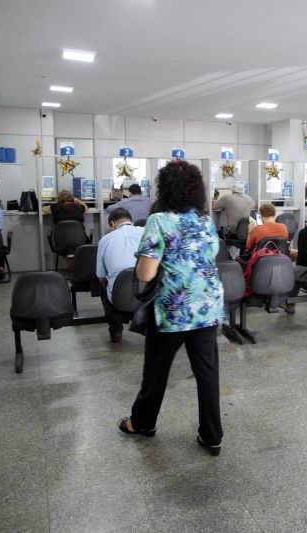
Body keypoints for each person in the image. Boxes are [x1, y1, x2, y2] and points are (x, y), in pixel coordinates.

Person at [118, 160, 225, 456]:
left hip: (173, 310)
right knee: (207, 374)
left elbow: (146, 274)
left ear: (164, 189)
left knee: (156, 371)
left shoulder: (159, 221)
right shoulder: (205, 221)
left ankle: (143, 423)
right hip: (207, 306)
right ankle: (212, 436)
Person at [96, 208, 145, 342]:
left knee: (102, 285)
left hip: (119, 298)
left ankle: (116, 329)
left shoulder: (105, 240)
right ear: (131, 221)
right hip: (147, 294)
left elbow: (101, 277)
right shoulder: (145, 232)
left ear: (112, 224)